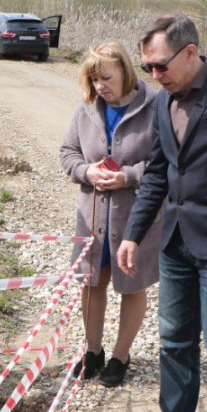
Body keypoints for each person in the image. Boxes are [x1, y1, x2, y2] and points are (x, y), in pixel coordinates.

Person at [116, 13, 207, 412]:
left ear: (191, 52)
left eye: (160, 66)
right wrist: (133, 234)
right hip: (175, 243)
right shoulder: (162, 102)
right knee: (174, 341)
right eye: (147, 69)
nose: (154, 77)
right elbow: (158, 173)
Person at [59, 43, 161, 388]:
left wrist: (128, 177)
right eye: (94, 78)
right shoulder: (86, 108)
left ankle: (120, 356)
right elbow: (68, 152)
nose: (100, 85)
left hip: (136, 216)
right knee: (93, 282)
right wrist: (87, 172)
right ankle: (93, 352)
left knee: (132, 285)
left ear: (126, 72)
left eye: (106, 77)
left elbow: (167, 163)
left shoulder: (155, 106)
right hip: (93, 215)